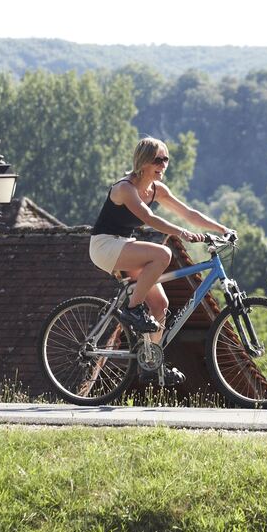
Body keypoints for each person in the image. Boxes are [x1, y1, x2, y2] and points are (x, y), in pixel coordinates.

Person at [88, 136, 233, 386]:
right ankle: (133, 309)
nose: (163, 164)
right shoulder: (125, 188)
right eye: (158, 159)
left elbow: (189, 213)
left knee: (160, 304)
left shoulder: (156, 189)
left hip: (124, 245)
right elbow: (148, 217)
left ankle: (151, 364)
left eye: (166, 159)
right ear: (143, 162)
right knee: (162, 254)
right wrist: (182, 232)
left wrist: (223, 229)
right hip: (104, 245)